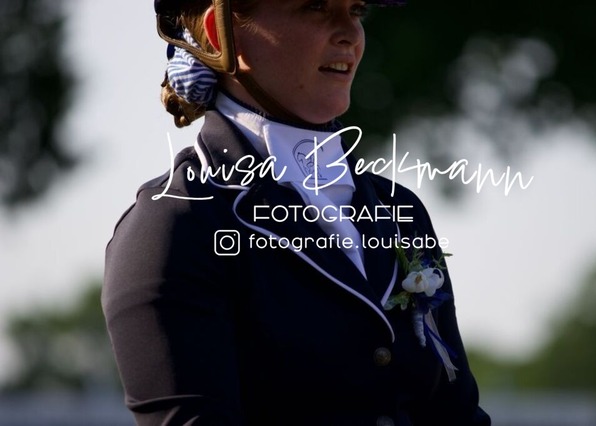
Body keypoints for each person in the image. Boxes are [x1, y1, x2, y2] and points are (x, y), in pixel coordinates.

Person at [102, 0, 491, 425]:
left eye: (357, 10)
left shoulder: (401, 210)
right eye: (316, 7)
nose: (350, 34)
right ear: (219, 33)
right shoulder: (172, 227)